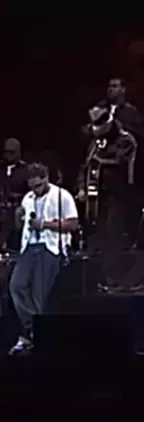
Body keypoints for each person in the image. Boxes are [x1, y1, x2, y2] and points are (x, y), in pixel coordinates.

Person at [9, 163, 79, 355]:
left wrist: (45, 224)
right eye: (32, 187)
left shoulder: (62, 196)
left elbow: (73, 224)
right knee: (16, 286)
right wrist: (18, 217)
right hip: (29, 247)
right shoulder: (28, 198)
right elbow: (20, 226)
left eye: (39, 186)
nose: (36, 190)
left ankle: (31, 337)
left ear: (46, 178)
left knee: (39, 294)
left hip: (50, 247)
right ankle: (32, 329)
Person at [77, 105, 138, 291]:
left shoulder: (125, 140)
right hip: (98, 197)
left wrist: (100, 162)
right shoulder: (95, 143)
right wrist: (82, 187)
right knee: (98, 235)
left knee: (114, 234)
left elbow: (121, 162)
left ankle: (116, 279)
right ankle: (99, 279)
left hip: (119, 196)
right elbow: (85, 167)